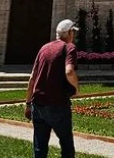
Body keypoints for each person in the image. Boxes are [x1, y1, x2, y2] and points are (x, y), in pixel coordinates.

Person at [25, 19, 80, 158]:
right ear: (69, 33)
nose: (73, 35)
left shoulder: (44, 48)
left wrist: (27, 104)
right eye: (73, 32)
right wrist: (76, 88)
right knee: (67, 146)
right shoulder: (69, 47)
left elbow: (32, 78)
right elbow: (69, 71)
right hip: (58, 104)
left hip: (37, 104)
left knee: (39, 149)